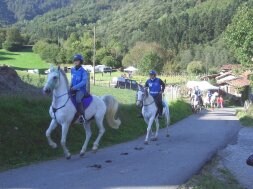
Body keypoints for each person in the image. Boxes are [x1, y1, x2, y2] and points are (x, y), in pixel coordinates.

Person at [70, 54, 88, 123]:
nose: (75, 62)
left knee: (78, 99)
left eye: (77, 61)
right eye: (74, 61)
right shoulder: (72, 70)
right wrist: (70, 86)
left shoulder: (83, 71)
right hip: (73, 88)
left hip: (81, 90)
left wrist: (75, 87)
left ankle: (82, 116)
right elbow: (72, 79)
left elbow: (84, 82)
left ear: (80, 61)